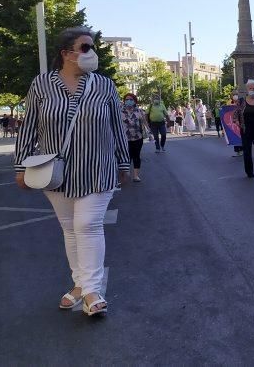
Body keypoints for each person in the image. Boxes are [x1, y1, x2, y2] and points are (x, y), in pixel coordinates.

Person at [14, 26, 131, 316]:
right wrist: (21, 165)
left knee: (87, 225)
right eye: (86, 47)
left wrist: (124, 162)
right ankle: (79, 285)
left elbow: (117, 126)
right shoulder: (41, 84)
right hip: (56, 170)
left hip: (97, 168)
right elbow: (29, 126)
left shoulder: (104, 85)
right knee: (70, 229)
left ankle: (91, 291)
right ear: (67, 53)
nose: (92, 53)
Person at [121, 93, 149, 182]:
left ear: (134, 101)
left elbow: (144, 122)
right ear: (124, 101)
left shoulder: (139, 111)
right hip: (124, 138)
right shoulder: (120, 111)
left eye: (131, 99)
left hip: (138, 137)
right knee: (127, 156)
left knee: (136, 156)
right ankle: (125, 173)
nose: (128, 101)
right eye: (127, 99)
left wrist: (150, 132)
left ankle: (136, 176)